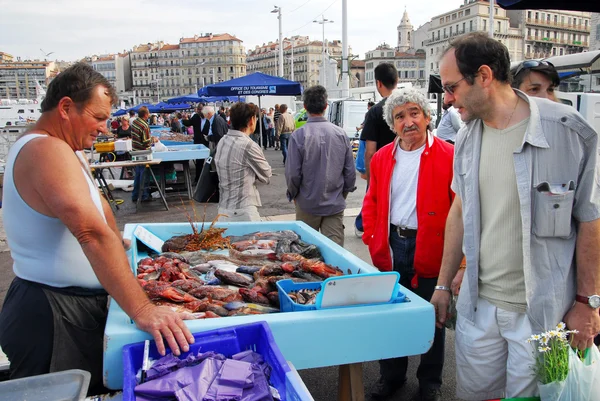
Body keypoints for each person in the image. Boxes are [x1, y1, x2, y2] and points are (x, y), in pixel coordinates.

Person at [0, 63, 193, 395]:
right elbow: (90, 232)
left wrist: (118, 243)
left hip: (65, 304)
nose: (106, 129)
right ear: (65, 108)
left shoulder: (62, 146)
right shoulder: (45, 149)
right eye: (98, 117)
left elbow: (99, 211)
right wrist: (144, 309)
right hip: (52, 312)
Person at [431, 32, 600, 400]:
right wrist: (444, 284)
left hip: (543, 314)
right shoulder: (466, 138)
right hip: (479, 308)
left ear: (485, 76)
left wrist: (588, 303)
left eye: (451, 87)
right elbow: (459, 211)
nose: (447, 99)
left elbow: (591, 220)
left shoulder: (569, 131)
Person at [362, 88, 453, 401]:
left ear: (427, 117)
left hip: (432, 246)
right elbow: (372, 201)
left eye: (414, 112)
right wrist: (372, 237)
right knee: (392, 315)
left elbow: (460, 209)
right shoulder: (382, 159)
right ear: (392, 124)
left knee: (433, 316)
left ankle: (430, 382)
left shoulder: (449, 155)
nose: (408, 121)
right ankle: (391, 377)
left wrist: (461, 261)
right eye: (399, 116)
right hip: (391, 244)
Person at [285, 86, 356, 246]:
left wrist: (294, 194)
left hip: (306, 202)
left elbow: (293, 174)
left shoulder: (298, 136)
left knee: (304, 254)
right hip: (334, 203)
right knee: (335, 255)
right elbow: (349, 172)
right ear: (326, 106)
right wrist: (343, 193)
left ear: (305, 107)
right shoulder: (340, 134)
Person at [355, 64, 399, 237]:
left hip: (382, 168)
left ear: (378, 83)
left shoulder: (375, 111)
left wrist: (370, 178)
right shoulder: (411, 106)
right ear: (397, 81)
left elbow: (370, 151)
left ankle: (367, 227)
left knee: (376, 203)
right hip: (409, 166)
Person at [215, 102, 272, 221]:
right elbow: (267, 175)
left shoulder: (222, 141)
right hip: (243, 211)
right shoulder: (249, 145)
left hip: (223, 209)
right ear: (252, 120)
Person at [131, 106, 153, 202]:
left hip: (135, 151)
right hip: (143, 152)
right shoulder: (144, 125)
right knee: (144, 174)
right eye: (148, 114)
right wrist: (153, 140)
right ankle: (144, 195)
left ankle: (135, 195)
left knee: (138, 174)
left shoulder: (135, 122)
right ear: (145, 114)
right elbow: (145, 141)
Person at [182, 105, 209, 183]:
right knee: (199, 161)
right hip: (198, 141)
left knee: (208, 161)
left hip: (207, 141)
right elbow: (188, 123)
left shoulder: (209, 118)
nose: (199, 111)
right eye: (198, 109)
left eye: (201, 109)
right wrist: (184, 119)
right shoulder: (196, 117)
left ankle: (206, 178)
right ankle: (198, 178)